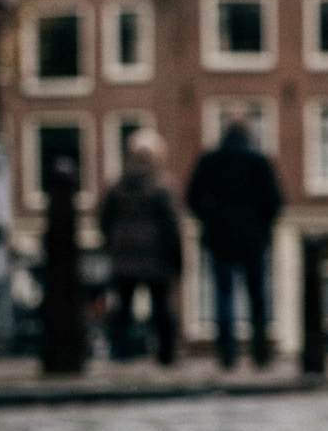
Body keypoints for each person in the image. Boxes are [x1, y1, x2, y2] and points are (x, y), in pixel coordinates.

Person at [185, 119, 283, 369]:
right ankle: (260, 355)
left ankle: (227, 355)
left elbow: (192, 197)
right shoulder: (259, 162)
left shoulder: (210, 161)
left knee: (223, 295)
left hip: (220, 239)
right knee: (257, 297)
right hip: (253, 240)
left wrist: (210, 219)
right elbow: (275, 200)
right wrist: (261, 225)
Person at [97, 130, 183, 366]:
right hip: (156, 257)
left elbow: (104, 220)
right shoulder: (163, 187)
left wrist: (114, 243)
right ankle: (166, 355)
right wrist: (177, 260)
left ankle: (120, 353)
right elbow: (172, 227)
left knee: (123, 306)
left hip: (124, 257)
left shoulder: (117, 187)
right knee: (161, 306)